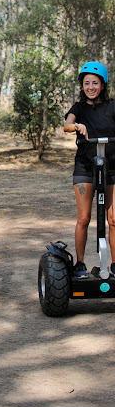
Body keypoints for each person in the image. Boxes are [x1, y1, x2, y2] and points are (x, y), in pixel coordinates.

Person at [64, 61, 115, 278]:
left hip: (112, 165)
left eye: (95, 83)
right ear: (82, 86)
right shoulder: (79, 108)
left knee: (113, 219)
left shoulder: (112, 106)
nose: (91, 87)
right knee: (84, 218)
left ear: (102, 85)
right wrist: (76, 126)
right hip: (85, 166)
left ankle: (114, 265)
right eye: (87, 83)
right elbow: (66, 125)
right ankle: (80, 264)